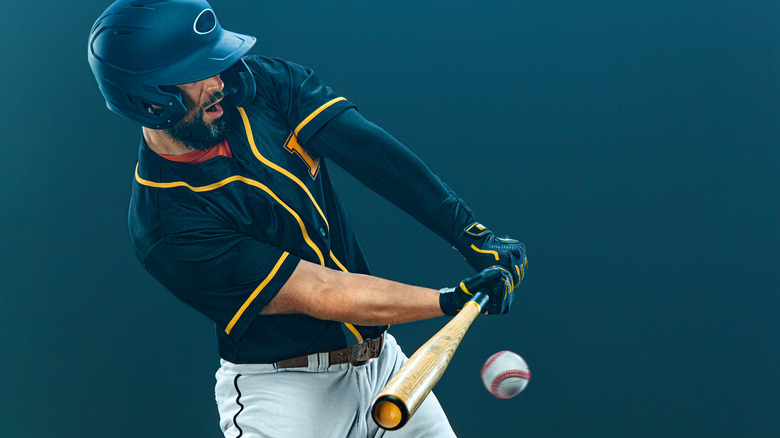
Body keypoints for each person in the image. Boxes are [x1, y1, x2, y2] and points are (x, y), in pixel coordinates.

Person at [87, 0, 527, 436]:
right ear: (149, 99)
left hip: (384, 368)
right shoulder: (165, 224)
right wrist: (449, 299)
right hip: (285, 396)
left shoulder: (264, 85)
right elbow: (319, 291)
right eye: (196, 71)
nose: (218, 80)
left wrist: (469, 233)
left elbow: (376, 157)